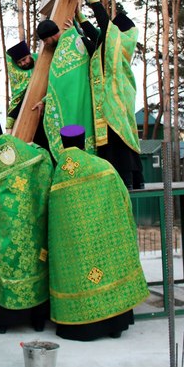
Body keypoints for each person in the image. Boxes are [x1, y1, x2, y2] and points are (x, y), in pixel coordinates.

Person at [49, 125, 149, 341]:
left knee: (80, 272)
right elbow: (123, 200)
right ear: (84, 142)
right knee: (108, 269)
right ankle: (115, 325)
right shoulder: (102, 167)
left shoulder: (56, 177)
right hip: (102, 239)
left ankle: (82, 324)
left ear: (62, 144)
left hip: (75, 249)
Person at [0, 122, 51, 334]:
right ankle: (38, 320)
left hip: (5, 233)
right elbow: (44, 162)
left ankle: (4, 321)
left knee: (5, 266)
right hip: (32, 228)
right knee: (35, 264)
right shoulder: (28, 152)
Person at [85, 0, 145, 189]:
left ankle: (129, 184)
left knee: (120, 143)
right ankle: (131, 182)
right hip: (113, 101)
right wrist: (77, 19)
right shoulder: (112, 43)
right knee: (117, 144)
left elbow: (103, 26)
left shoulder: (122, 41)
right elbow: (96, 35)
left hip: (116, 102)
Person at [34, 17, 97, 160]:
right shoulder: (75, 37)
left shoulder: (62, 54)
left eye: (45, 41)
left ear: (50, 36)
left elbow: (59, 85)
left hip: (73, 104)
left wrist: (46, 100)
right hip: (86, 100)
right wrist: (76, 25)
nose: (46, 44)